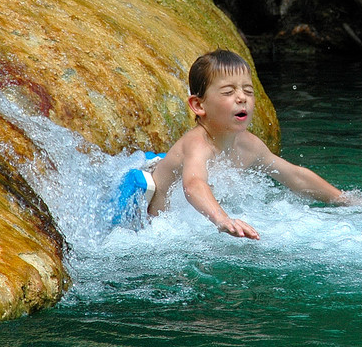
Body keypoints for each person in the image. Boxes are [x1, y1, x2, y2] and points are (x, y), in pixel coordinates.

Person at [115, 49, 349, 240]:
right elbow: (194, 185)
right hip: (147, 220)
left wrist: (345, 200)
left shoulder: (249, 146)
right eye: (229, 92)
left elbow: (294, 175)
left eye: (248, 90)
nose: (242, 97)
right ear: (198, 105)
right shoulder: (198, 145)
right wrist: (222, 219)